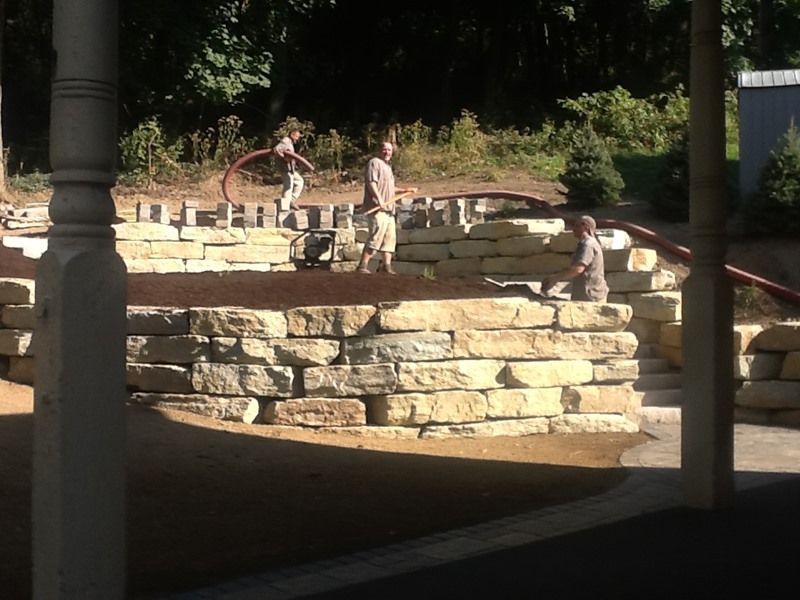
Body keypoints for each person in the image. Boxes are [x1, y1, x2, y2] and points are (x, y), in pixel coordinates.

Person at [355, 142, 417, 275]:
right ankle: (362, 265)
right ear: (379, 150)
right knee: (375, 237)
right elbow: (371, 183)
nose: (387, 152)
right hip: (377, 208)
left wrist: (405, 190)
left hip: (389, 209)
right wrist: (379, 199)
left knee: (389, 239)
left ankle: (386, 267)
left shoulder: (387, 167)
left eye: (389, 150)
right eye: (384, 149)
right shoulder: (374, 163)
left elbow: (390, 188)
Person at [541, 215, 609, 302]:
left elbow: (578, 269)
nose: (573, 229)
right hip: (592, 293)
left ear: (585, 227)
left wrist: (555, 279)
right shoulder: (588, 243)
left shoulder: (587, 244)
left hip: (590, 295)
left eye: (576, 226)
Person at [273, 128, 304, 210]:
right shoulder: (286, 140)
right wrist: (284, 158)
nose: (297, 138)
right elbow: (276, 149)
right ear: (292, 135)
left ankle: (291, 201)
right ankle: (285, 207)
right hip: (285, 168)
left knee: (299, 181)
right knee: (288, 187)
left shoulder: (290, 143)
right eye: (297, 136)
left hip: (290, 169)